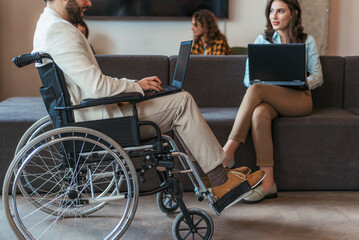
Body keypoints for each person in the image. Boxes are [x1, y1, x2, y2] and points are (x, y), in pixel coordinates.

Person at [34, 0, 265, 209]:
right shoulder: (60, 30)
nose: (89, 3)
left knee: (175, 99)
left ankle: (213, 175)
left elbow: (90, 86)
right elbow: (97, 87)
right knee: (181, 101)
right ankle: (220, 180)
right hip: (101, 121)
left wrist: (136, 84)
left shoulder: (46, 26)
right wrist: (137, 87)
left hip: (91, 113)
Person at [222, 0, 323, 204]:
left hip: (299, 99)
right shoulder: (263, 40)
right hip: (270, 97)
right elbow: (247, 79)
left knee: (256, 89)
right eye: (271, 11)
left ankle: (228, 152)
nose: (274, 16)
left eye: (280, 11)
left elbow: (318, 76)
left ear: (293, 13)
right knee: (259, 113)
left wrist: (303, 80)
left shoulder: (306, 40)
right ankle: (268, 183)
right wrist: (268, 82)